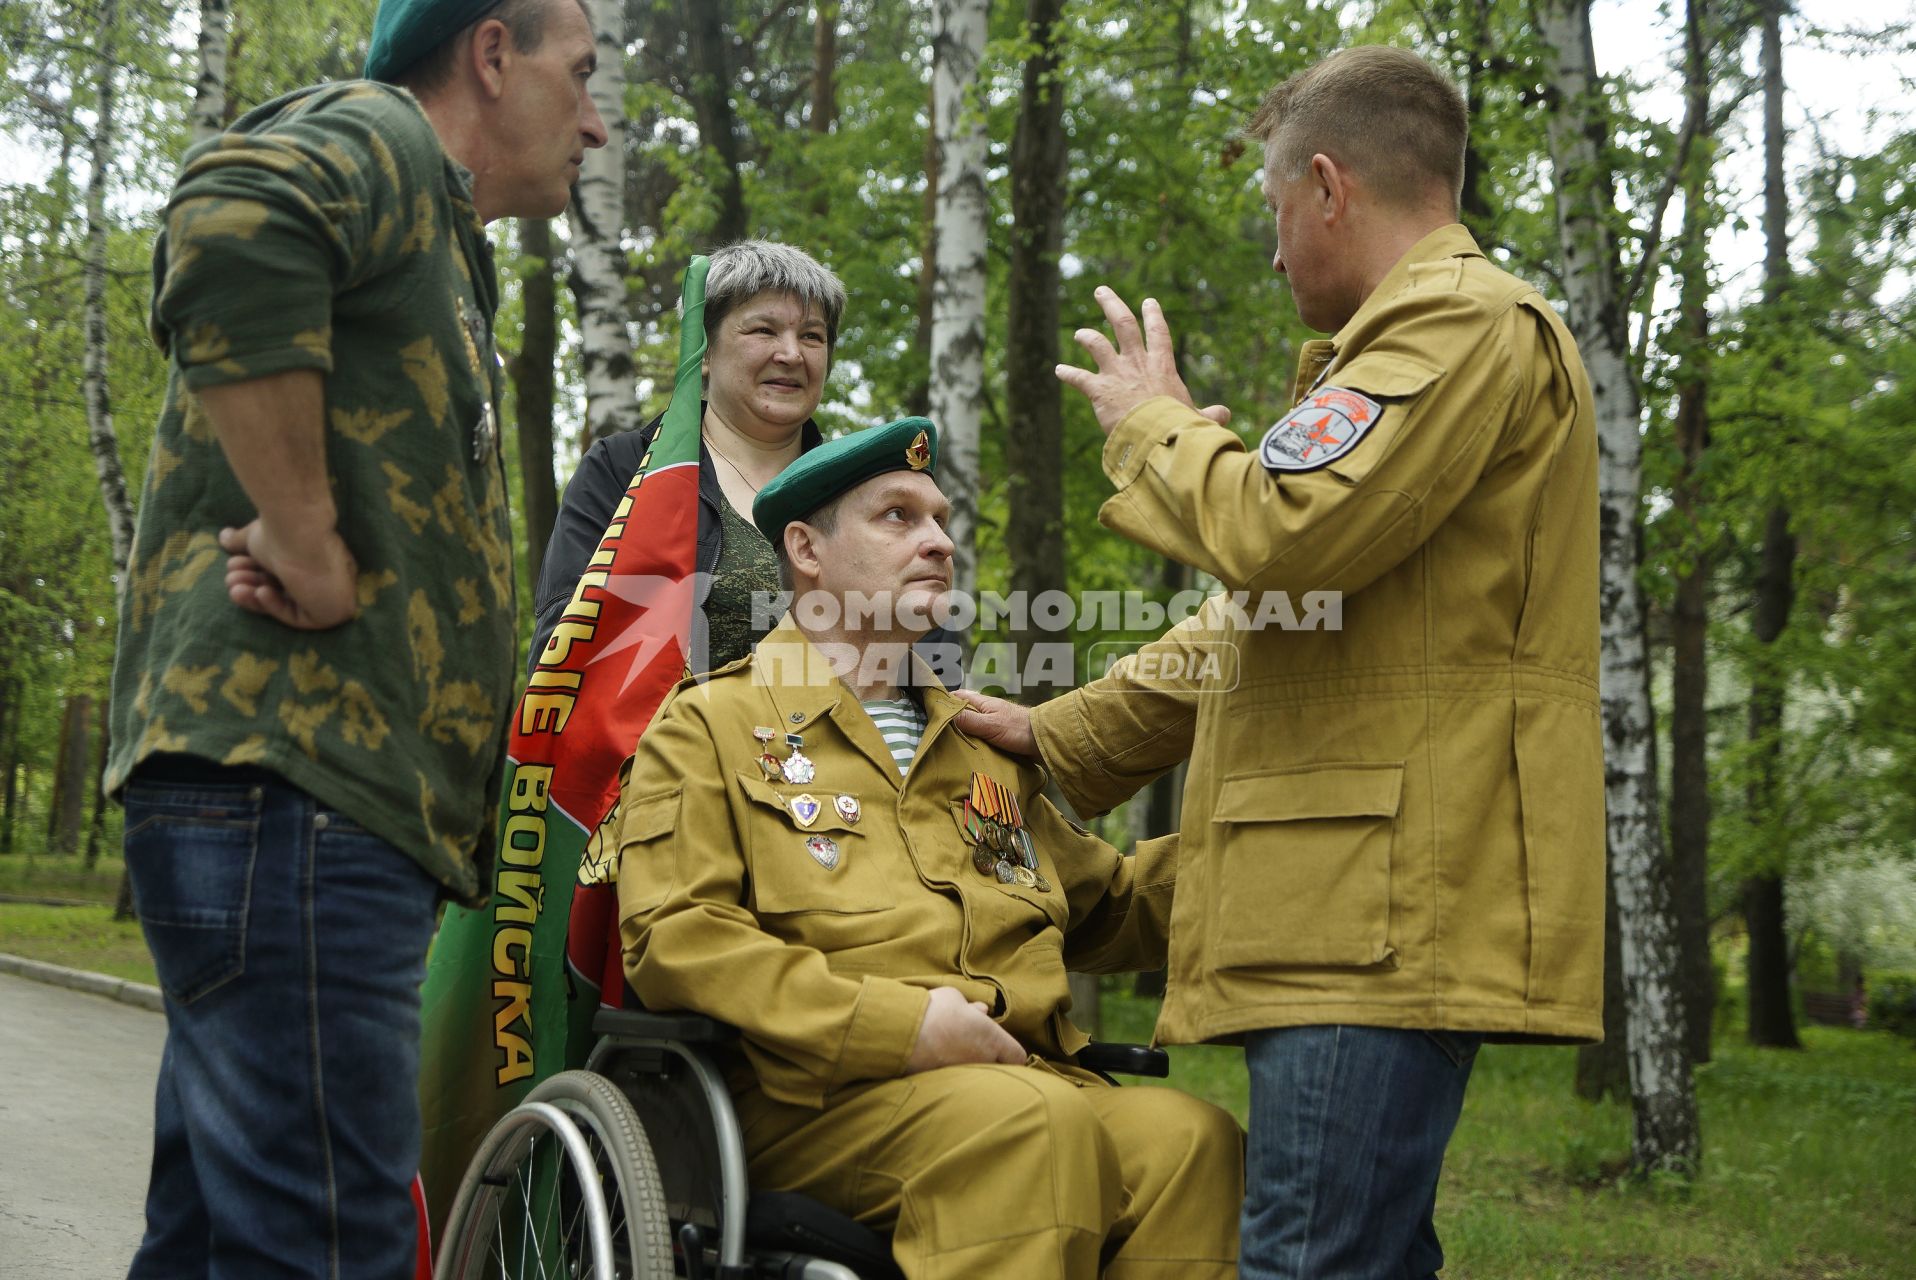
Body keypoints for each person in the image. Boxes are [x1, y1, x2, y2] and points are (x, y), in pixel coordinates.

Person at [956, 45, 1606, 1280]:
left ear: (1324, 185)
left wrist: (1147, 426)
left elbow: (1279, 532)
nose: (1271, 253)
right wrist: (1060, 736)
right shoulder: (1409, 346)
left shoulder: (1457, 321)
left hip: (1369, 920)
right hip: (1345, 908)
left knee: (1308, 1265)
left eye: (1270, 213)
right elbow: (1277, 614)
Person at [106, 1, 605, 1274]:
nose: (596, 122)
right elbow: (232, 217)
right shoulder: (382, 137)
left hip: (311, 811)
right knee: (330, 1244)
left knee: (218, 1236)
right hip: (298, 794)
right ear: (492, 55)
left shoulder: (444, 248)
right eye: (583, 73)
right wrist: (307, 539)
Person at [613, 418, 1243, 1280]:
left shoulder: (978, 744)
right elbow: (677, 936)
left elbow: (1114, 907)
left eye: (943, 521)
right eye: (899, 517)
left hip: (1026, 1081)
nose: (939, 542)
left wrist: (1258, 846)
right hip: (818, 1101)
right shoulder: (712, 726)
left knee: (1190, 1141)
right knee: (1028, 1128)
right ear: (806, 548)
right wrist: (901, 1026)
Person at [532, 239, 844, 675]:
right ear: (703, 351)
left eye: (812, 336)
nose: (791, 354)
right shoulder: (622, 469)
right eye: (764, 330)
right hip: (665, 741)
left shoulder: (857, 486)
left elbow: (919, 650)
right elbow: (565, 643)